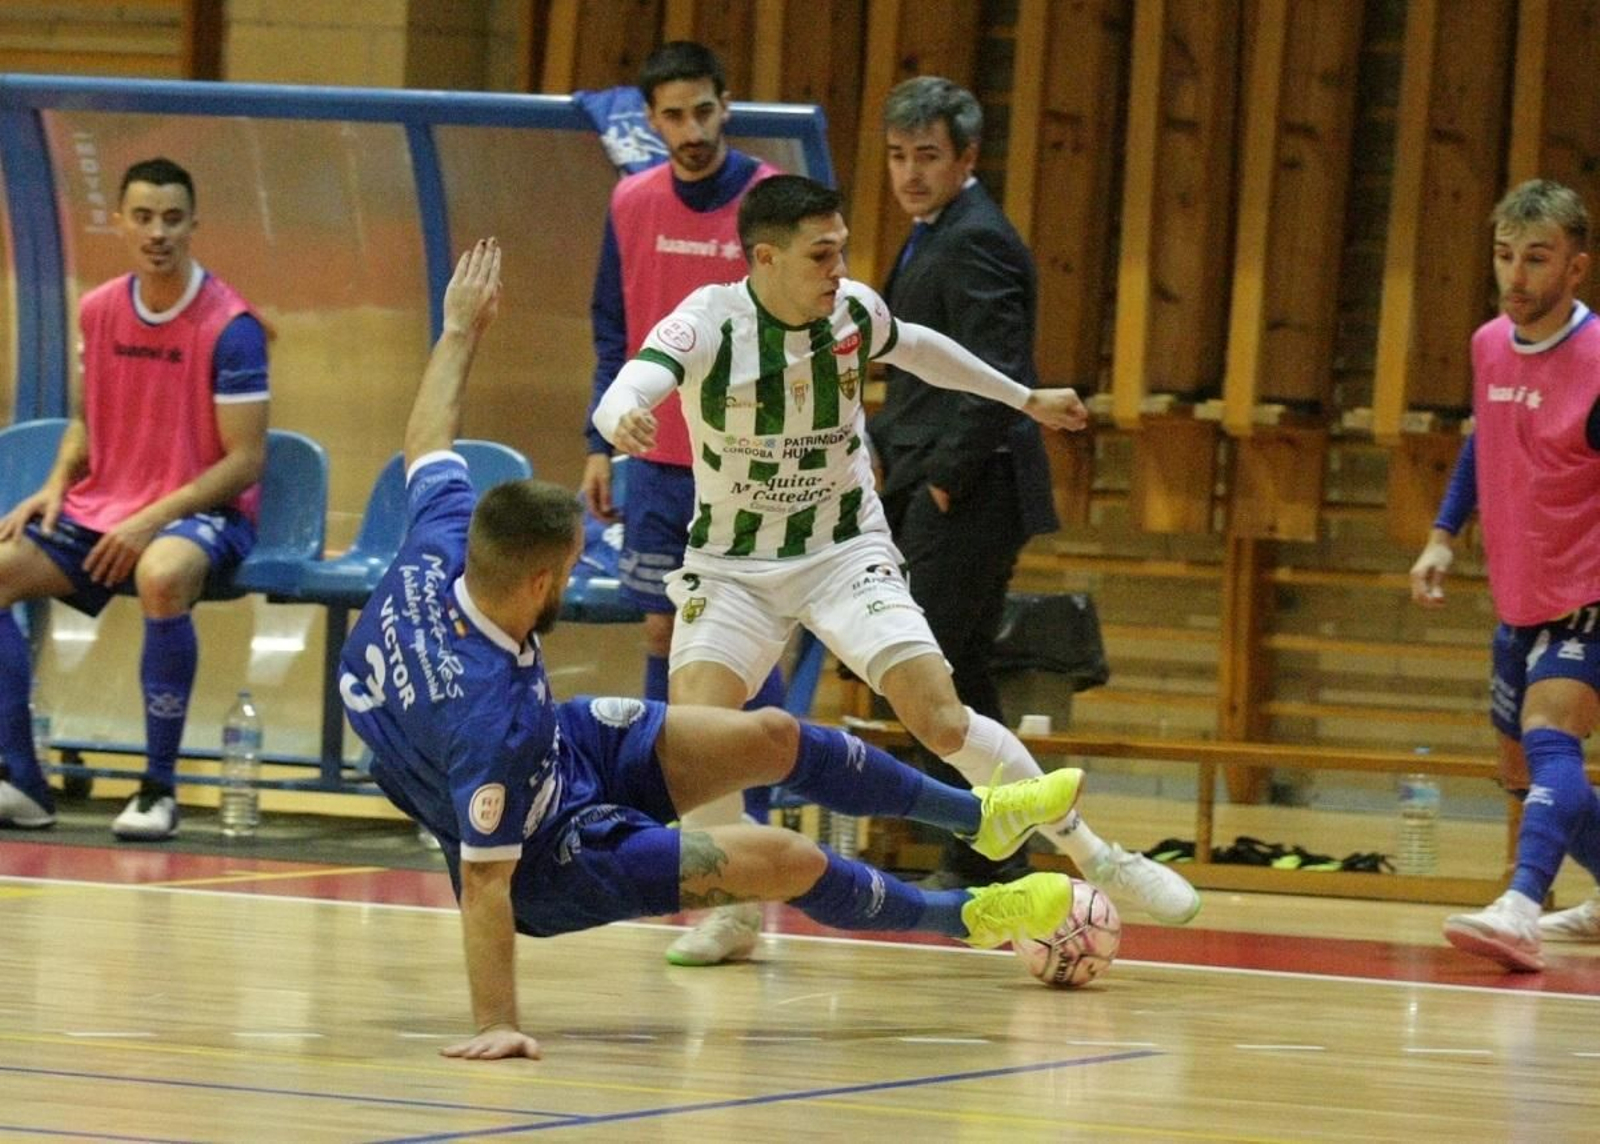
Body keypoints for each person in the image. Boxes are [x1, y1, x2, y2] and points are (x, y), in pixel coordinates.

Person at [341, 237, 1093, 1061]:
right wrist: (496, 1025)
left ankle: (982, 815)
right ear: (538, 582)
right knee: (782, 855)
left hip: (564, 748)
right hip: (552, 860)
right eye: (574, 565)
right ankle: (970, 916)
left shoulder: (443, 543)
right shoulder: (488, 719)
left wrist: (460, 330)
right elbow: (485, 881)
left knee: (769, 734)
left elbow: (426, 440)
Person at [594, 175, 1201, 965]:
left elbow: (917, 347)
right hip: (735, 568)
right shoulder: (708, 322)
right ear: (765, 258)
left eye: (842, 250)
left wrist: (1024, 399)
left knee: (940, 718)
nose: (839, 269)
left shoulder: (852, 312)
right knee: (698, 739)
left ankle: (1098, 856)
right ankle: (734, 912)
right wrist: (621, 417)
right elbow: (633, 382)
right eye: (821, 255)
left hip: (843, 551)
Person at [579, 42, 787, 962]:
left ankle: (753, 840)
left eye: (705, 110)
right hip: (659, 464)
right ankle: (688, 833)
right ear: (652, 121)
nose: (692, 130)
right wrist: (599, 442)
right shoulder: (632, 202)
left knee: (740, 647)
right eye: (673, 115)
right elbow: (612, 329)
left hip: (749, 461)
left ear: (726, 106)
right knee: (665, 635)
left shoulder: (771, 200)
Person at [0, 157, 269, 840]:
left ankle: (158, 790)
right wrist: (54, 487)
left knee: (162, 574)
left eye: (173, 219)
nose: (158, 233)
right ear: (119, 221)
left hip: (205, 514)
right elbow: (87, 422)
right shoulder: (99, 309)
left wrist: (149, 520)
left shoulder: (232, 326)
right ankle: (21, 781)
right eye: (144, 217)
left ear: (194, 225)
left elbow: (245, 461)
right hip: (105, 506)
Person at [870, 76, 1062, 888]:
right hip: (934, 479)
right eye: (897, 156)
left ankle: (988, 847)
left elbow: (999, 371)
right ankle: (991, 840)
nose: (910, 173)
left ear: (967, 156)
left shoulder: (975, 238)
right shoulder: (937, 230)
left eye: (927, 155)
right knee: (950, 668)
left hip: (971, 488)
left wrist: (945, 480)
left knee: (940, 670)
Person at [1410, 178, 1600, 971]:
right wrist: (1442, 535)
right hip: (1520, 591)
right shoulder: (1490, 344)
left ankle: (1522, 903)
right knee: (1520, 766)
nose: (1516, 276)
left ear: (1575, 268)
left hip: (1587, 592)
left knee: (1551, 737)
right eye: (1504, 256)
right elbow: (1484, 439)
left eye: (1537, 259)